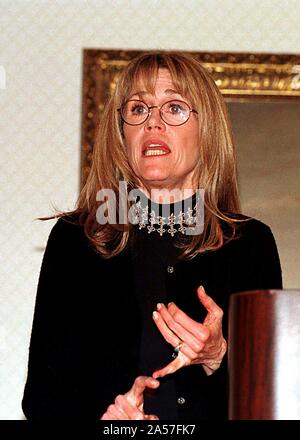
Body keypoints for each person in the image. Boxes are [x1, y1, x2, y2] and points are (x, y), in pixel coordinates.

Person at [22, 52, 282, 421]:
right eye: (138, 109)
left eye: (174, 108)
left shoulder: (250, 243)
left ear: (206, 129)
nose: (152, 123)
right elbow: (42, 399)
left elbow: (270, 400)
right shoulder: (76, 241)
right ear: (122, 132)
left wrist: (217, 356)